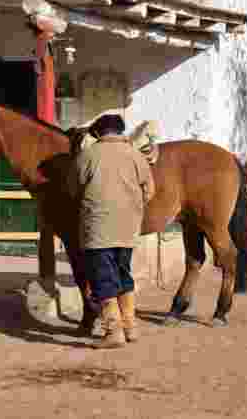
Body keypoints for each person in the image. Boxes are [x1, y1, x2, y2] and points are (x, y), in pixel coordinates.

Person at [73, 113, 155, 348]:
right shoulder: (136, 155)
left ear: (98, 132)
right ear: (120, 131)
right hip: (128, 229)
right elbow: (149, 191)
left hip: (98, 230)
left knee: (102, 279)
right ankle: (130, 327)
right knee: (123, 274)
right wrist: (133, 207)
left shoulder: (87, 155)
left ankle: (113, 332)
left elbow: (74, 189)